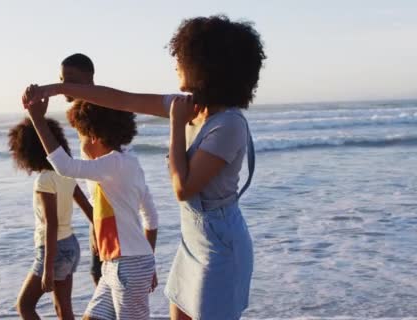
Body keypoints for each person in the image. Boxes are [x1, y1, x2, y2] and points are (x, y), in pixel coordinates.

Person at [24, 14, 265, 320]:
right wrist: (56, 90)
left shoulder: (228, 124)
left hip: (220, 246)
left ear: (205, 65)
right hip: (191, 242)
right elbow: (123, 100)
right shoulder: (189, 106)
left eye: (181, 57)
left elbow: (183, 187)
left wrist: (177, 125)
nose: (175, 63)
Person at [24, 95, 159, 320]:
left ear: (94, 137)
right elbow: (151, 218)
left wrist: (38, 119)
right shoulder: (128, 163)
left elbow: (64, 166)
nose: (79, 144)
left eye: (80, 136)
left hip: (128, 266)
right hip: (118, 264)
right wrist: (148, 262)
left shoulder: (112, 164)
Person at [8, 118, 93, 320]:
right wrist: (97, 236)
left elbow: (51, 224)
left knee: (25, 305)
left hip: (53, 250)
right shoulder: (66, 174)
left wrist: (47, 269)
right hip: (71, 246)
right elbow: (89, 210)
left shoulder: (44, 180)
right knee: (63, 309)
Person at [59, 53, 103, 286]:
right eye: (61, 79)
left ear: (89, 77)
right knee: (101, 277)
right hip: (100, 210)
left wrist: (98, 222)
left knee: (105, 278)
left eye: (71, 79)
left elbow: (108, 171)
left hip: (109, 210)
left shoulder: (97, 111)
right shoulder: (83, 111)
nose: (64, 85)